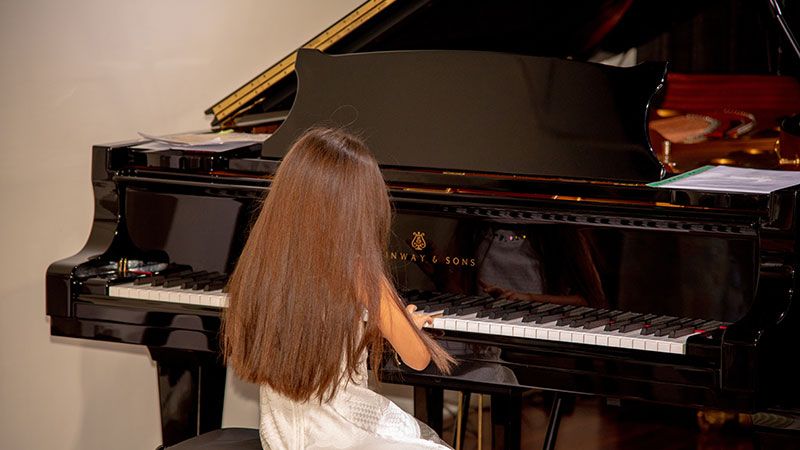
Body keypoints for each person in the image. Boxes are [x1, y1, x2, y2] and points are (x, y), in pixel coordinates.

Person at [221, 127, 455, 450]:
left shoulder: (264, 263)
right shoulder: (359, 271)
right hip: (341, 437)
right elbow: (417, 358)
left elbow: (323, 338)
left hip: (280, 438)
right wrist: (404, 326)